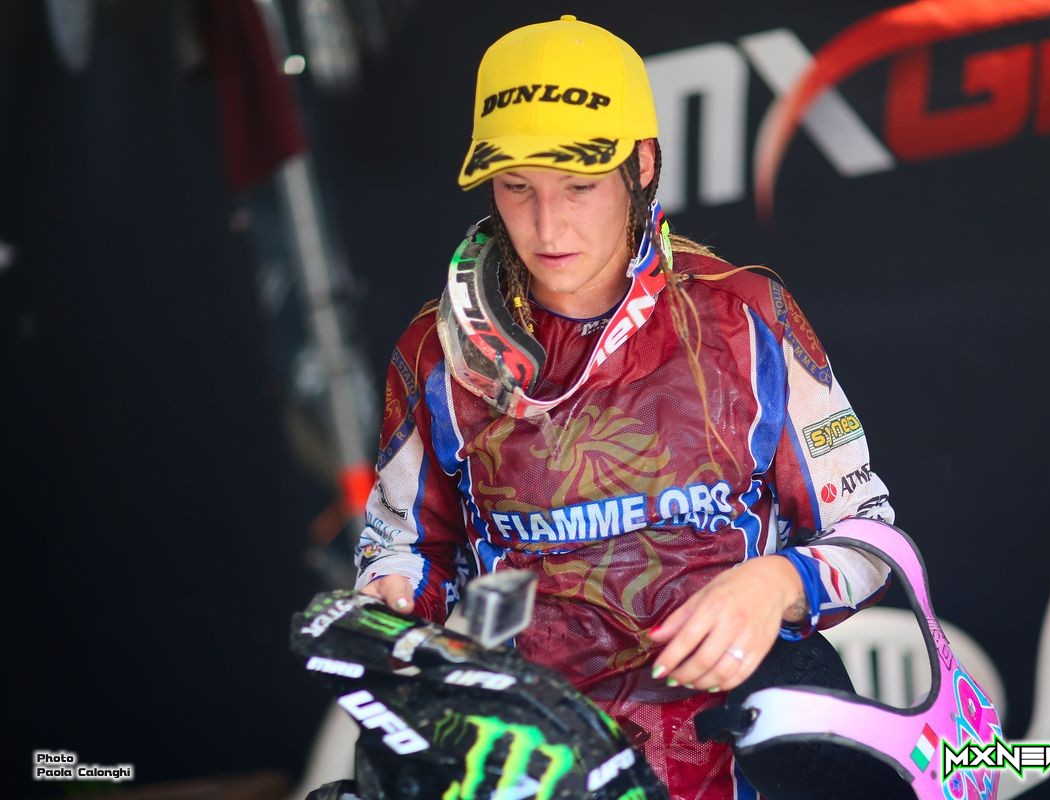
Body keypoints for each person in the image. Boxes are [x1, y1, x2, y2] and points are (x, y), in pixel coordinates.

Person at [354, 15, 897, 799]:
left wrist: (777, 582)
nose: (547, 225)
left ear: (642, 164)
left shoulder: (747, 316)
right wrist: (392, 600)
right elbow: (403, 554)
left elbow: (870, 539)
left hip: (732, 758)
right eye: (517, 188)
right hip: (535, 763)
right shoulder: (436, 353)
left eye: (578, 187)